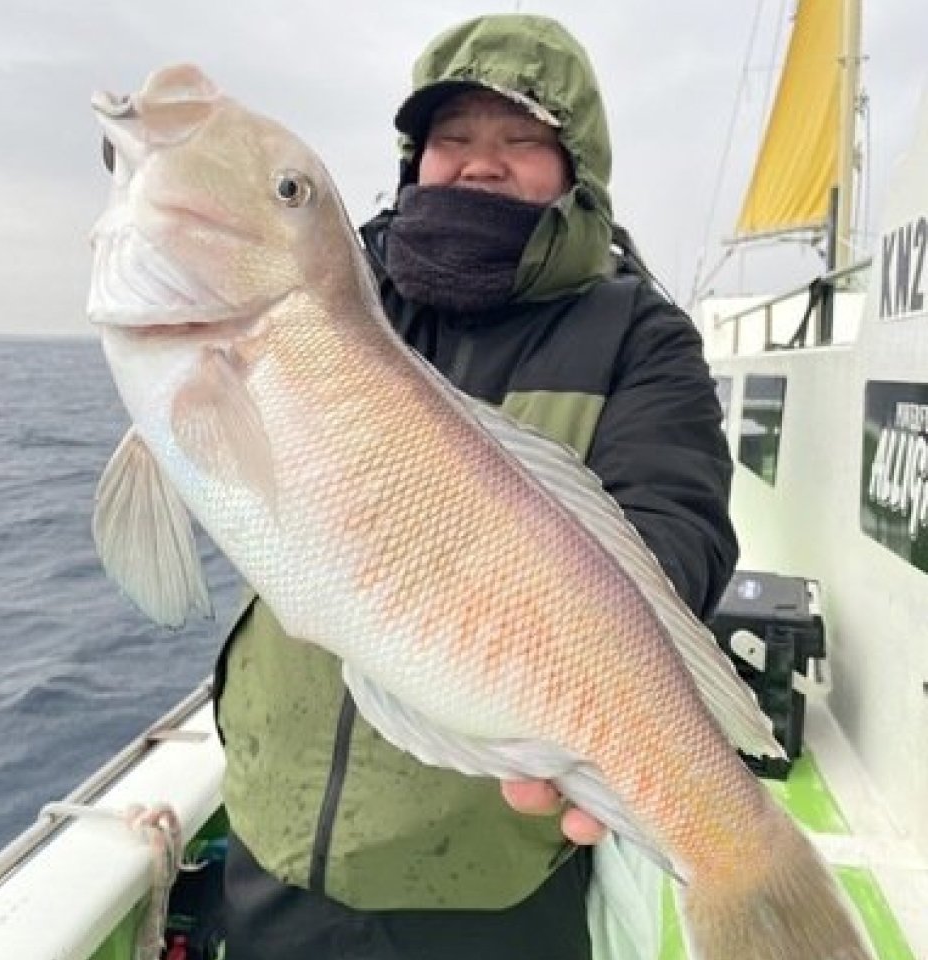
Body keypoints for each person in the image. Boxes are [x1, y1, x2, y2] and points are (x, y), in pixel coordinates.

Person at [213, 13, 737, 960]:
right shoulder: (337, 297)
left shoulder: (640, 334)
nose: (480, 163)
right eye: (452, 138)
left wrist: (583, 679)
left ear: (577, 167)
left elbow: (678, 521)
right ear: (415, 161)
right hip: (276, 838)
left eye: (521, 139)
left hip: (496, 869)